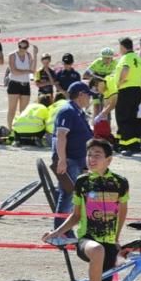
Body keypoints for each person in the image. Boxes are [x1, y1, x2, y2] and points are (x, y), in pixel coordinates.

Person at [43, 138, 129, 281]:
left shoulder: (120, 183)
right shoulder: (82, 182)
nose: (91, 159)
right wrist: (57, 231)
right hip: (87, 242)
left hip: (109, 245)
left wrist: (118, 239)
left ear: (108, 160)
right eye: (89, 155)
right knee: (98, 253)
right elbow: (76, 216)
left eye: (97, 155)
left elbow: (122, 213)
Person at [52, 81, 96, 227]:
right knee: (67, 194)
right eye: (88, 95)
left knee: (74, 196)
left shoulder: (77, 111)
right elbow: (61, 136)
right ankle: (60, 230)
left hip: (78, 159)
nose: (89, 99)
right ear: (81, 95)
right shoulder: (68, 111)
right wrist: (62, 160)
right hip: (70, 160)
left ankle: (65, 229)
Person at [113, 37, 141, 155]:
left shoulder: (126, 58)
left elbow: (126, 69)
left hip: (126, 90)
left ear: (123, 47)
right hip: (137, 90)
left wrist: (120, 82)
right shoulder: (139, 59)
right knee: (134, 118)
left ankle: (127, 146)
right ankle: (129, 144)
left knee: (123, 117)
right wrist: (138, 88)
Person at [5, 38, 36, 129]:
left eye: (24, 47)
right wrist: (27, 71)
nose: (21, 49)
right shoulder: (12, 55)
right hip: (14, 83)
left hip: (25, 84)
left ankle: (20, 129)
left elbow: (33, 70)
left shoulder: (29, 55)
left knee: (24, 111)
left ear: (27, 47)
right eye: (20, 46)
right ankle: (10, 129)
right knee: (12, 109)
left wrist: (35, 54)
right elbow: (14, 71)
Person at [84, 47, 117, 116]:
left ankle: (107, 124)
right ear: (101, 57)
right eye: (104, 58)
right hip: (96, 86)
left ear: (112, 58)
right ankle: (95, 123)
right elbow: (85, 75)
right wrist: (99, 78)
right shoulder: (97, 62)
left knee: (107, 107)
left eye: (109, 58)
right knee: (96, 106)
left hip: (106, 87)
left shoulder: (115, 63)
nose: (107, 60)